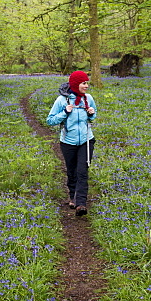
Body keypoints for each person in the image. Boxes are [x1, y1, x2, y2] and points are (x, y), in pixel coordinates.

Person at [46, 70, 97, 216]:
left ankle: (81, 203)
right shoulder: (62, 100)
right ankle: (73, 195)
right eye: (83, 83)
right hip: (68, 141)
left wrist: (92, 113)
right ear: (76, 84)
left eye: (87, 83)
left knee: (82, 171)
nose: (86, 86)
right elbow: (50, 120)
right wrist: (65, 112)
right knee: (72, 170)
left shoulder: (88, 98)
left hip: (87, 140)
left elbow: (92, 118)